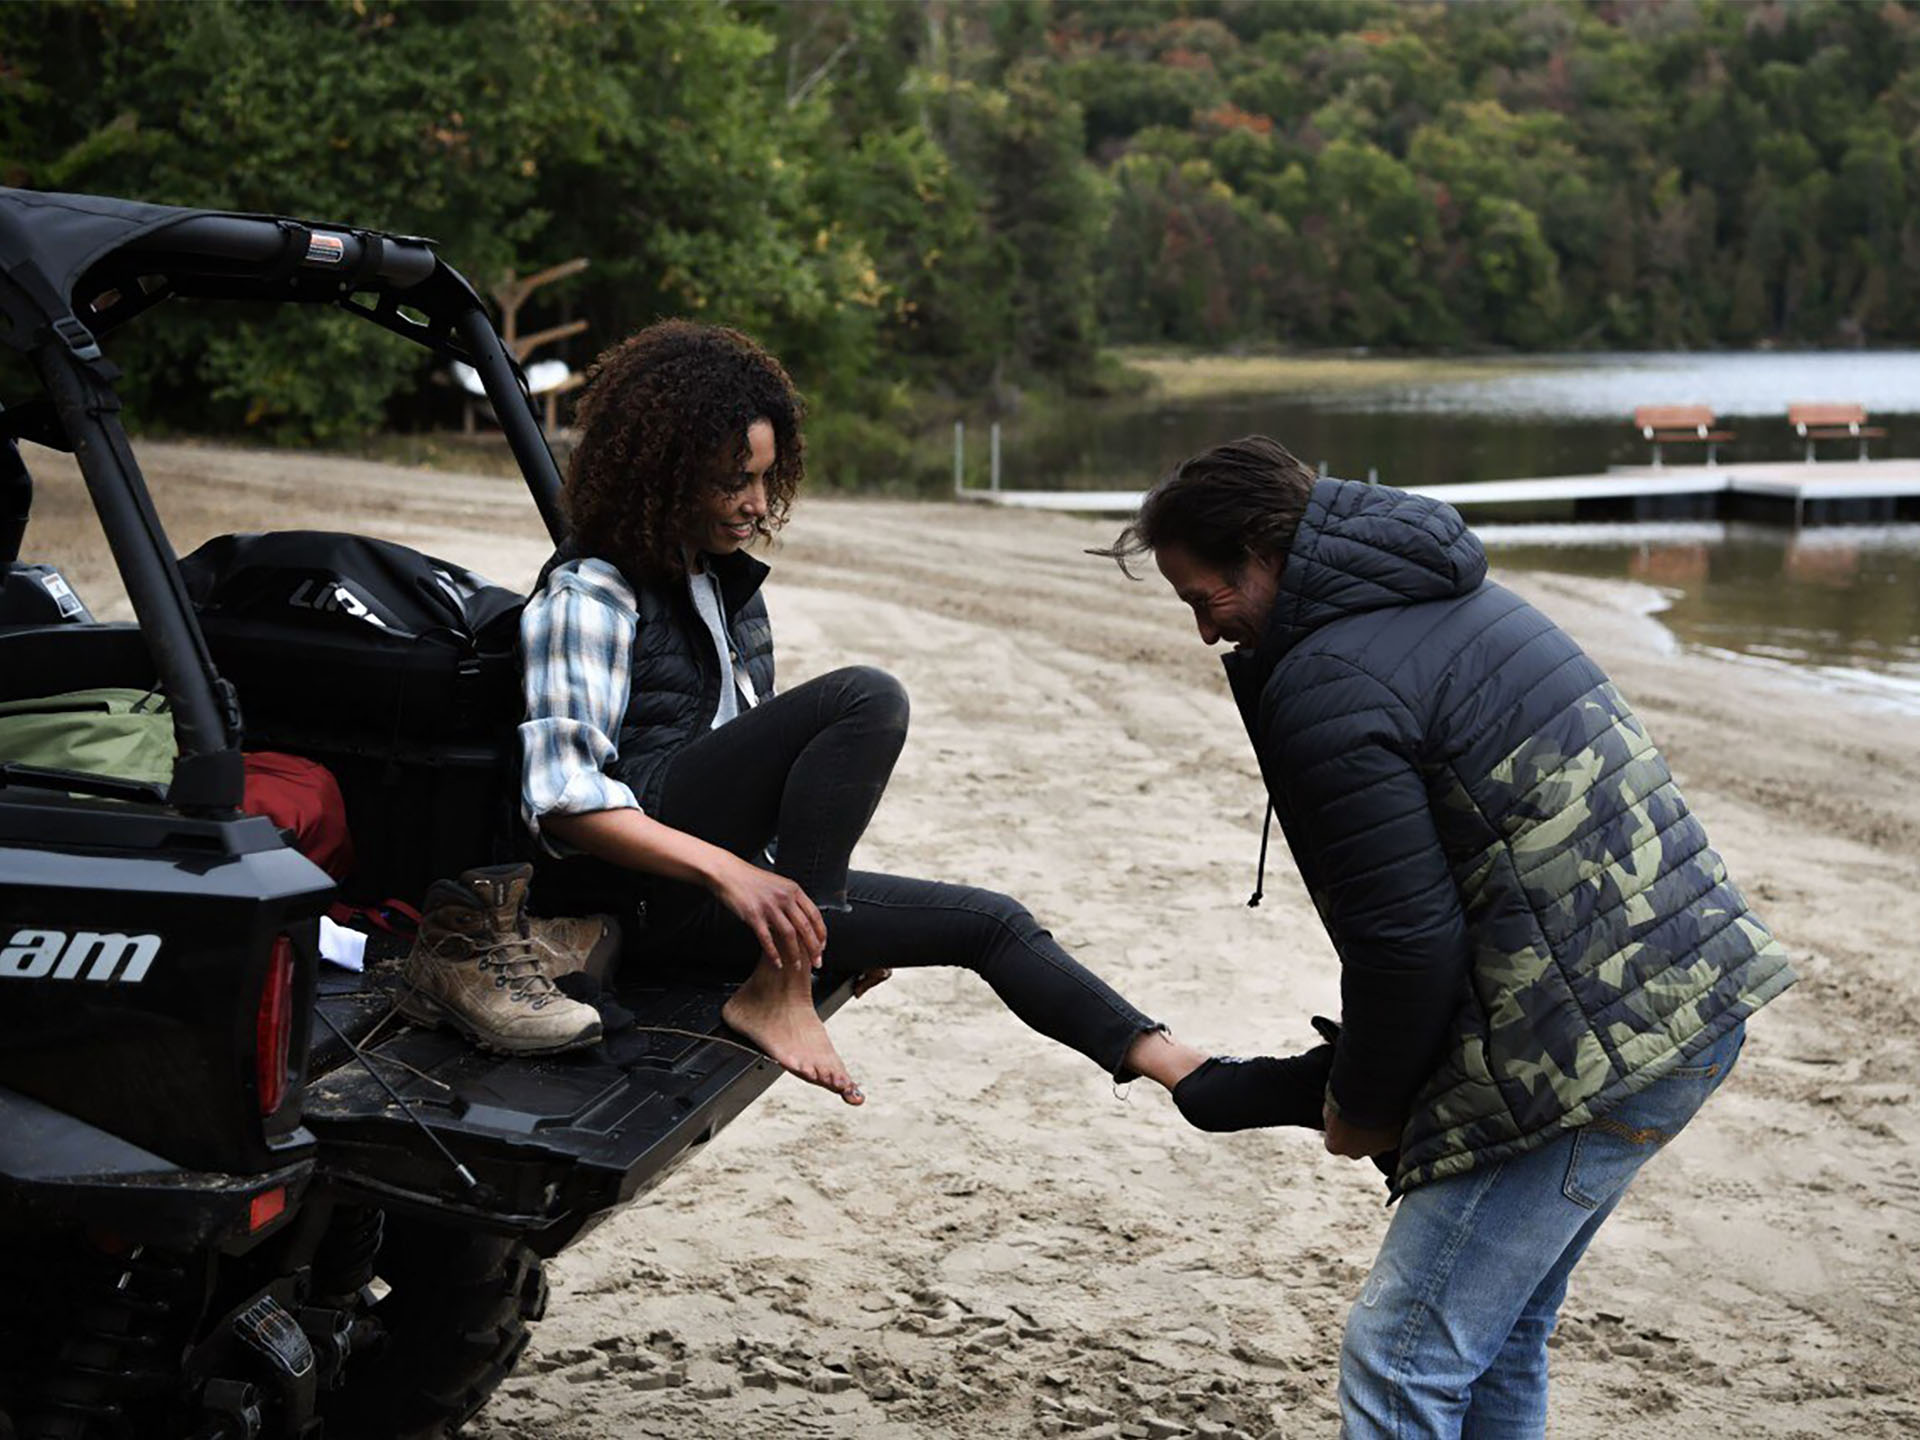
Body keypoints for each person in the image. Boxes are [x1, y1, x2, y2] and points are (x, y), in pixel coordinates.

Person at [1091, 435, 1796, 1438]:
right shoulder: (1440, 594)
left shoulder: (1328, 678)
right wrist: (1320, 1092)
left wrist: (1363, 1109)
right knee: (1495, 1341)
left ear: (1267, 553)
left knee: (1403, 1359)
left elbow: (1406, 948)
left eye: (1207, 601)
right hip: (1683, 1000)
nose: (1208, 635)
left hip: (1595, 1049)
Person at [500, 317, 1232, 1111]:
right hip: (640, 900)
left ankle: (1189, 1074)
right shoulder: (588, 593)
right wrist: (741, 878)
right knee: (866, 697)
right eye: (728, 482)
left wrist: (824, 912)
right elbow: (564, 799)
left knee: (988, 922)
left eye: (763, 478)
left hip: (718, 897)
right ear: (661, 475)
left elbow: (754, 787)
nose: (753, 504)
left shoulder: (719, 584)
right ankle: (785, 987)